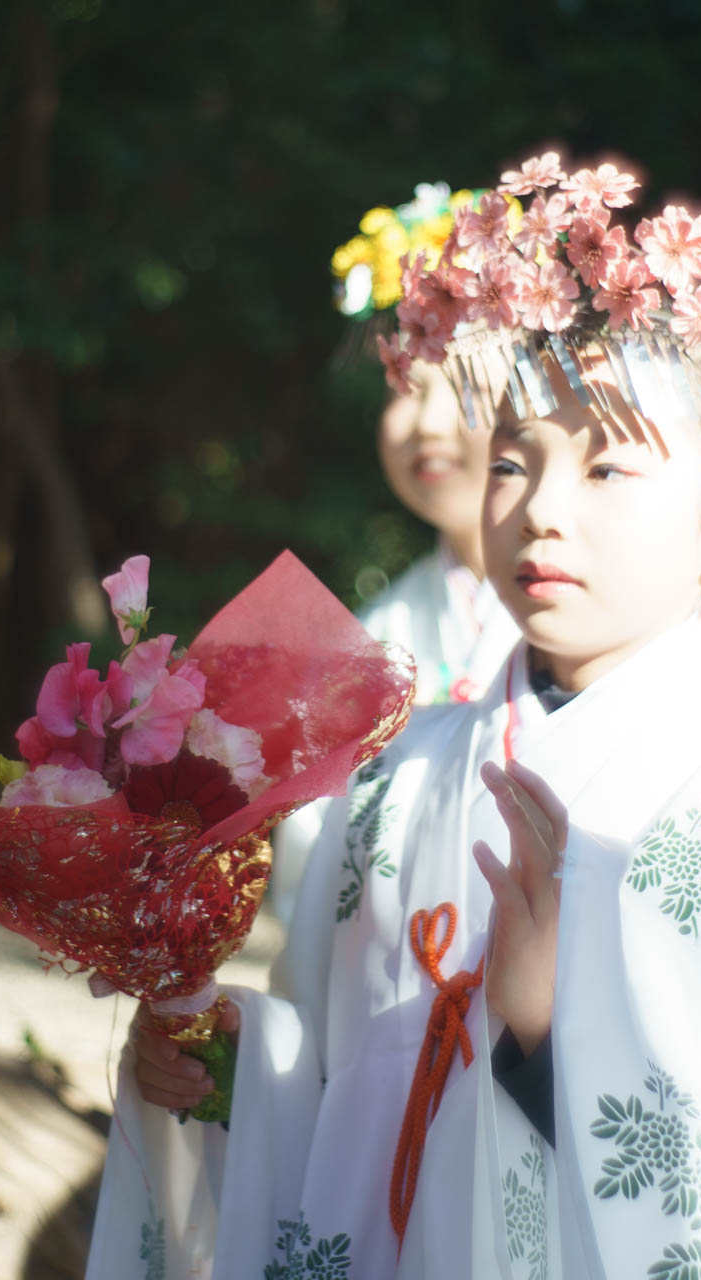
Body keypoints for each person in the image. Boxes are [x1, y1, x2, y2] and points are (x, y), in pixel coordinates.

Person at [88, 150, 701, 1278]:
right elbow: (334, 1072)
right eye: (513, 462)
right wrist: (221, 1062)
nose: (542, 508)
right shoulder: (391, 777)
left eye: (607, 471)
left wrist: (555, 1036)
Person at [271, 186, 525, 921]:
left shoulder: (620, 617)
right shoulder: (373, 636)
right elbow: (311, 888)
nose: (427, 423)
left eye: (460, 385)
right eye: (404, 386)